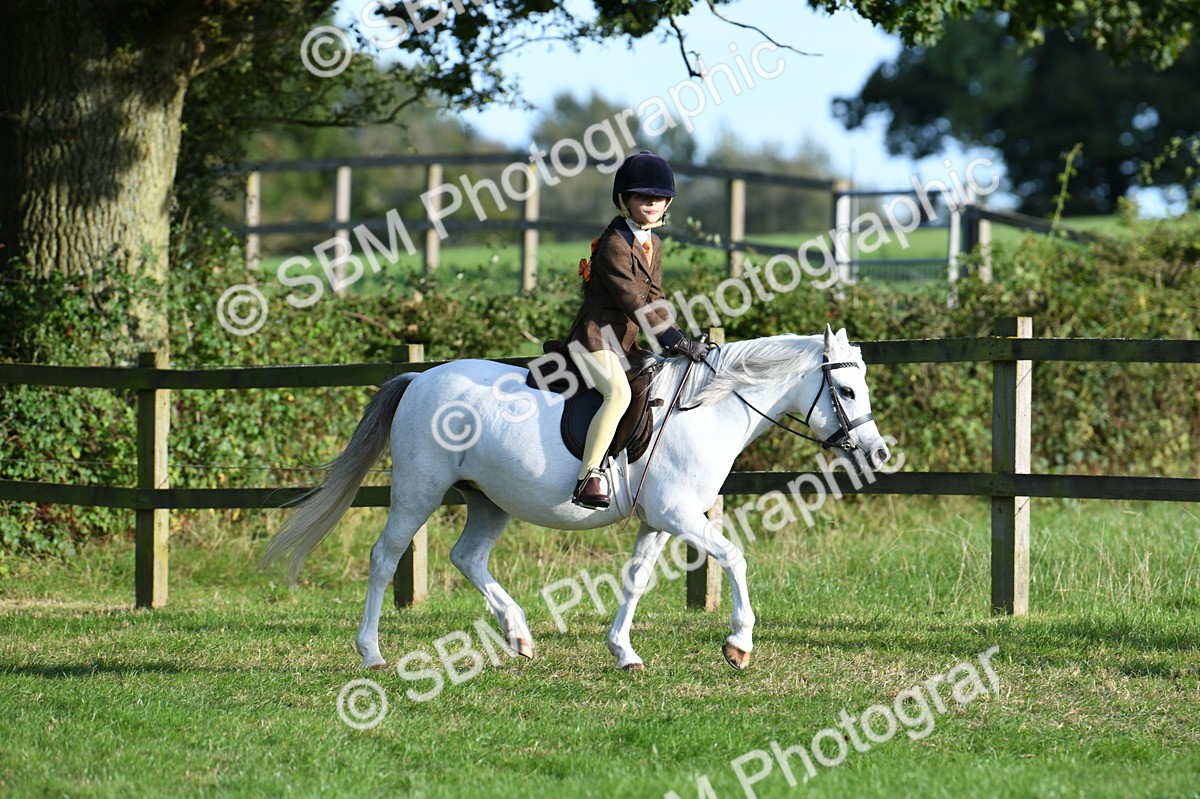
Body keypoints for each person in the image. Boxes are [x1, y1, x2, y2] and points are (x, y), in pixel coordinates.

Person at [563, 150, 709, 510]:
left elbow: (656, 298)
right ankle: (589, 476)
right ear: (623, 200)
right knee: (618, 395)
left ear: (668, 203)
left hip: (625, 344)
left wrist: (681, 337)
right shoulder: (614, 243)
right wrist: (672, 339)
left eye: (659, 197)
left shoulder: (653, 244)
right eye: (643, 196)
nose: (652, 202)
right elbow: (633, 301)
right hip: (595, 339)